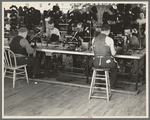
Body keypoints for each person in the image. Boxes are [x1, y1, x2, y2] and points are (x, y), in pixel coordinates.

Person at [91, 24, 118, 89]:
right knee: (115, 66)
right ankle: (112, 86)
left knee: (99, 68)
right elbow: (113, 54)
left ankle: (98, 84)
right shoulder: (109, 39)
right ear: (108, 31)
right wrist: (116, 50)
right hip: (106, 62)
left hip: (96, 62)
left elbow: (93, 52)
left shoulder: (94, 39)